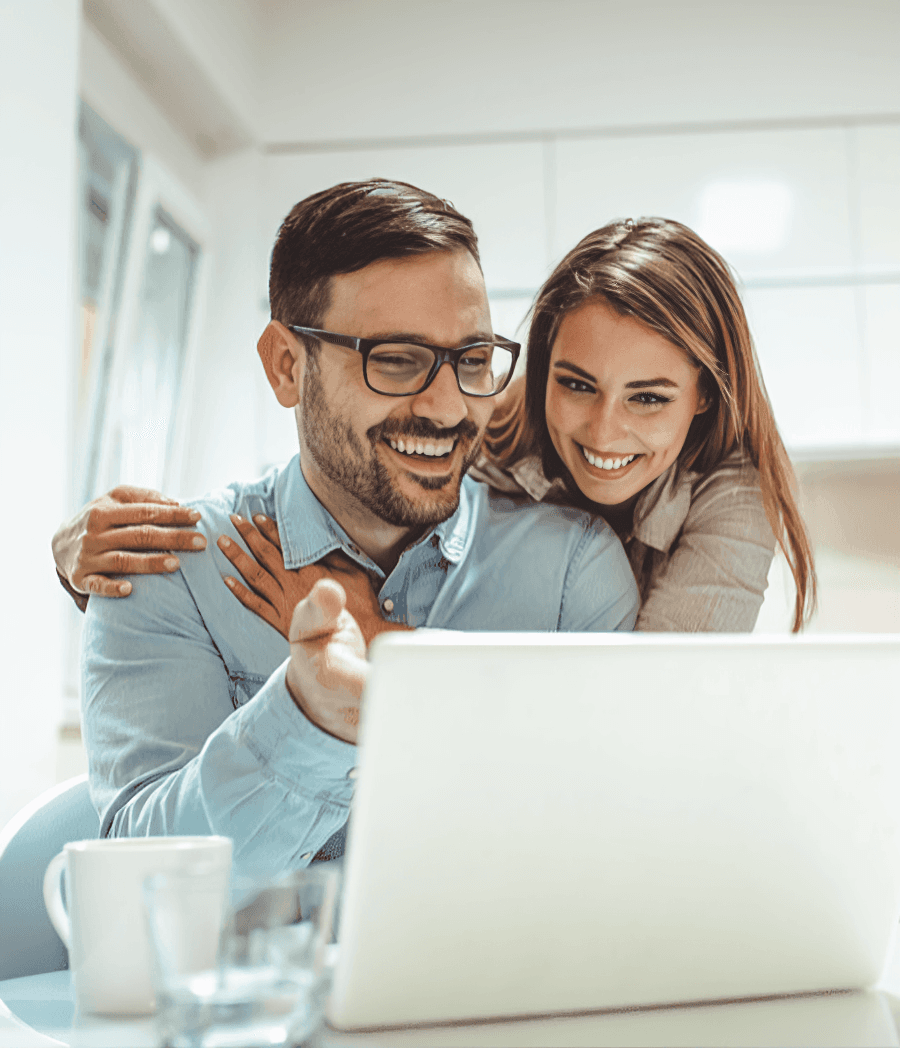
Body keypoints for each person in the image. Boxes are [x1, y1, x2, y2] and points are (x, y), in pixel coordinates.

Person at [73, 179, 638, 876]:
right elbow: (137, 883)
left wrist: (409, 675)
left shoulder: (572, 573)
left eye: (471, 359)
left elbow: (613, 844)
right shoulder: (168, 571)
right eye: (395, 359)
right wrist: (307, 718)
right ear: (287, 366)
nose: (446, 406)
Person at [55, 218, 815, 633]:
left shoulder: (733, 501)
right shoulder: (477, 427)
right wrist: (96, 551)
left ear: (706, 397)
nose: (604, 430)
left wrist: (376, 641)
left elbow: (646, 719)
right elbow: (336, 466)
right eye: (576, 384)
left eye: (648, 398)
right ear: (538, 365)